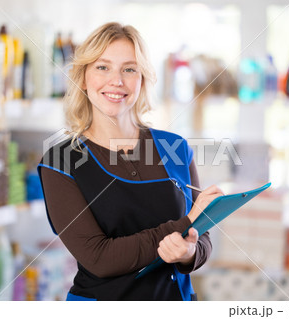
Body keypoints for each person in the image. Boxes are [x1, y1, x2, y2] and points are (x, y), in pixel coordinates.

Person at [38, 22, 223, 301]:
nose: (117, 81)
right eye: (103, 67)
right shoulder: (60, 161)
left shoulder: (174, 148)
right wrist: (185, 222)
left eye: (129, 69)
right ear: (83, 77)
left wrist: (188, 253)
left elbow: (202, 236)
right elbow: (99, 258)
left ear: (142, 79)